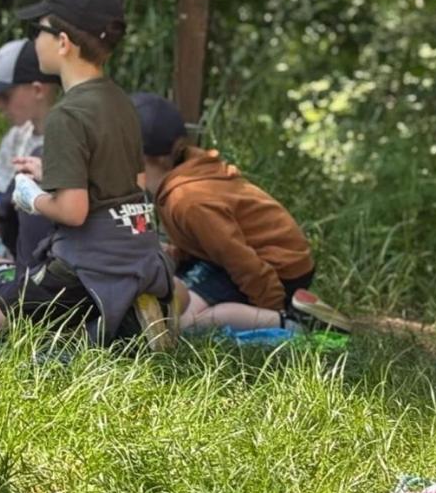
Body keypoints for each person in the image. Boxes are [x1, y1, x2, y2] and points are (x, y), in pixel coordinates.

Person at [0, 0, 177, 349]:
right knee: (64, 320)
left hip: (86, 263)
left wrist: (30, 196)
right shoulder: (120, 102)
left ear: (63, 43)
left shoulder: (66, 114)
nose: (35, 39)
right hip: (137, 249)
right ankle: (129, 318)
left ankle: (114, 330)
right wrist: (51, 173)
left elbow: (73, 211)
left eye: (40, 30)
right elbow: (134, 179)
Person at [132, 92, 317, 331]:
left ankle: (292, 323)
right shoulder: (180, 177)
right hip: (236, 261)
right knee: (175, 295)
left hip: (277, 269)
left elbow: (240, 259)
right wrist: (178, 254)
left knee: (184, 324)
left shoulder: (187, 199)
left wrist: (270, 304)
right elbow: (208, 239)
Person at [0, 38, 60, 261]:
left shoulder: (67, 142)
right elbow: (0, 203)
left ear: (38, 89)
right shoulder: (17, 136)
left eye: (4, 96)